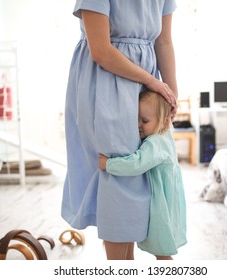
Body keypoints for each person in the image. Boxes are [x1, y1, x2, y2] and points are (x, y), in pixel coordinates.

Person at [61, 0, 178, 260]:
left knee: (139, 178)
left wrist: (170, 92)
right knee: (118, 175)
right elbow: (100, 50)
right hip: (107, 79)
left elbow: (164, 41)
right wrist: (152, 81)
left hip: (147, 85)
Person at [98, 90, 187, 260]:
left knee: (162, 251)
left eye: (145, 121)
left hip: (161, 205)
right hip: (170, 201)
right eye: (136, 119)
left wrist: (108, 164)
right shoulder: (165, 135)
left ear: (165, 120)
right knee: (162, 250)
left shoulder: (155, 142)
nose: (139, 125)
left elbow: (137, 163)